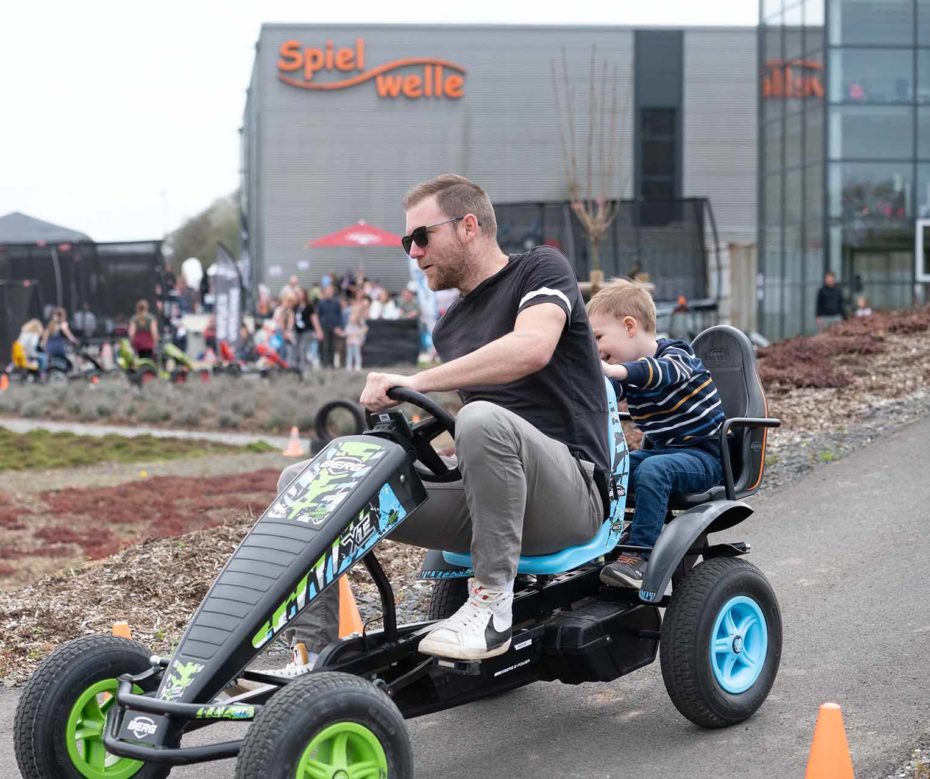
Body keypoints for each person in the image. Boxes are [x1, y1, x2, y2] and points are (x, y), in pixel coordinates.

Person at [273, 174, 608, 671]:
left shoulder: (539, 269)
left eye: (420, 237)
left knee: (479, 419)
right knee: (303, 482)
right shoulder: (449, 325)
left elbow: (532, 348)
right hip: (492, 500)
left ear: (469, 225)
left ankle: (493, 606)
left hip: (570, 496)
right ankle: (314, 653)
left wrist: (420, 381)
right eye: (407, 241)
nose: (412, 252)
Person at [586, 278, 726, 589]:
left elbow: (660, 374)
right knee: (607, 468)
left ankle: (639, 556)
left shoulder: (676, 355)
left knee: (653, 469)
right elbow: (601, 394)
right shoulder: (625, 373)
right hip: (664, 453)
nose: (595, 349)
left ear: (630, 326)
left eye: (598, 337)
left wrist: (615, 372)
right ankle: (603, 539)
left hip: (705, 458)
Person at [312, 284, 345, 369]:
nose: (329, 292)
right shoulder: (321, 303)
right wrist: (319, 329)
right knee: (325, 346)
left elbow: (340, 315)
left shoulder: (336, 302)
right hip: (324, 327)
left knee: (333, 346)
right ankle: (325, 363)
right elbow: (317, 316)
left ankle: (332, 363)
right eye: (327, 290)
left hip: (334, 328)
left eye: (331, 290)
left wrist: (340, 326)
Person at [44, 307, 78, 372]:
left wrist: (44, 345)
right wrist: (75, 341)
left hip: (49, 347)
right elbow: (69, 335)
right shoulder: (63, 324)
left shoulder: (50, 324)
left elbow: (45, 336)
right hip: (59, 346)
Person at [292, 287, 317, 371]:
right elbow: (293, 318)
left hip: (307, 330)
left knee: (303, 347)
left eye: (301, 294)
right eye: (298, 294)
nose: (300, 296)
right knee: (296, 347)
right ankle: (298, 365)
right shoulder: (295, 306)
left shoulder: (309, 306)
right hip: (297, 331)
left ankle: (303, 367)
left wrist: (318, 330)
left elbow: (314, 319)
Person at [344, 304, 367, 371]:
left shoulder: (361, 322)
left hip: (357, 342)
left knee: (357, 354)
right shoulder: (348, 325)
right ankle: (349, 365)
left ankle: (358, 365)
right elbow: (347, 332)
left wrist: (361, 337)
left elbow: (364, 330)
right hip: (350, 342)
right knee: (349, 354)